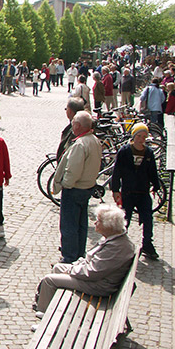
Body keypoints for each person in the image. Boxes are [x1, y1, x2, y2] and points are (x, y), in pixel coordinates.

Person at [34, 205, 134, 314]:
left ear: (109, 225)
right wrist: (75, 266)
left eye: (98, 221)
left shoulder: (117, 247)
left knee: (49, 280)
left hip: (99, 285)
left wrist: (71, 270)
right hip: (95, 277)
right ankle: (50, 304)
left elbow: (92, 272)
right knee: (58, 267)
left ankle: (44, 313)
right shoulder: (113, 237)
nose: (95, 223)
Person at [52, 112, 102, 263]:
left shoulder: (80, 144)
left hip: (75, 189)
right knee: (81, 224)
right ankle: (79, 255)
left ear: (78, 125)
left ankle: (69, 258)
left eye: (73, 122)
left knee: (69, 225)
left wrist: (65, 184)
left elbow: (73, 170)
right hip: (87, 187)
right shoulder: (94, 140)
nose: (72, 125)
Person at [110, 123, 161, 260]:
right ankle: (120, 245)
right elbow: (117, 172)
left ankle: (147, 244)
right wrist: (115, 190)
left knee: (148, 219)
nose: (141, 139)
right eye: (139, 136)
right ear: (134, 136)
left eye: (144, 136)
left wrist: (156, 186)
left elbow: (152, 172)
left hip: (143, 192)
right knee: (125, 219)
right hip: (128, 192)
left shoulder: (149, 153)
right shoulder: (124, 151)